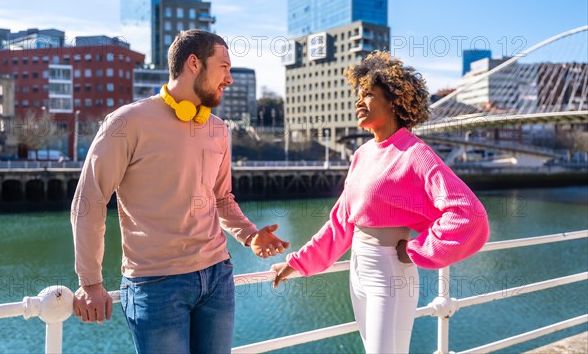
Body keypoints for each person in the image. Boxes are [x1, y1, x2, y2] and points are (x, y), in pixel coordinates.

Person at [71, 30, 290, 354]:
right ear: (193, 63)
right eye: (224, 67)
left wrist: (250, 235)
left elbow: (220, 199)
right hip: (155, 285)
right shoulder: (126, 123)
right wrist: (90, 281)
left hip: (217, 278)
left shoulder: (218, 129)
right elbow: (89, 201)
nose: (229, 78)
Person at [272, 51, 489, 354]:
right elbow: (340, 223)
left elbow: (469, 213)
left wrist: (417, 249)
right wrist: (296, 263)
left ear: (393, 102)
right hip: (358, 268)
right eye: (358, 94)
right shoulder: (362, 154)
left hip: (391, 270)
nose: (359, 102)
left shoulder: (415, 153)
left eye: (369, 94)